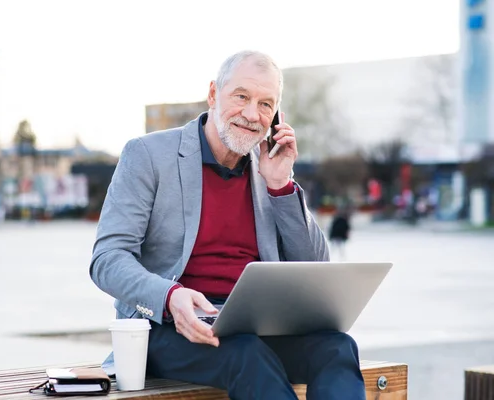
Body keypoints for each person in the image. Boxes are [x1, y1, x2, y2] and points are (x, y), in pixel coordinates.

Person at [90, 51, 365, 400]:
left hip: (255, 327)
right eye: (242, 97)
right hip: (169, 327)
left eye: (266, 104)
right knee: (245, 354)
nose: (253, 115)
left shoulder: (269, 168)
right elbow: (107, 260)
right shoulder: (147, 155)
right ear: (213, 95)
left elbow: (315, 265)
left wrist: (280, 186)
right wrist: (169, 296)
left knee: (338, 347)